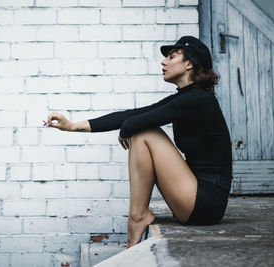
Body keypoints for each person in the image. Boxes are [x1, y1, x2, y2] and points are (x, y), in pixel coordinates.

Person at [43, 36, 233, 249]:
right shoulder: (186, 98)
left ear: (189, 64)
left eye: (171, 56)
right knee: (140, 129)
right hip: (195, 195)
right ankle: (138, 215)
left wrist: (129, 127)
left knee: (143, 132)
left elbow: (135, 123)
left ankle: (138, 216)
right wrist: (71, 125)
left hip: (206, 202)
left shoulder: (197, 99)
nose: (163, 62)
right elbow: (131, 115)